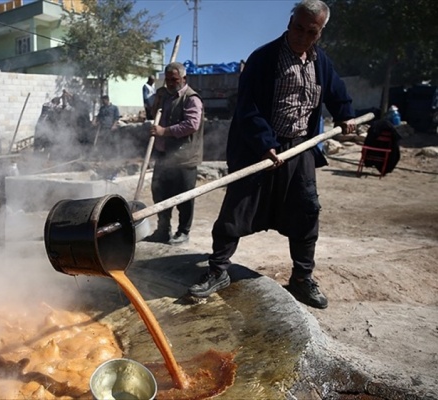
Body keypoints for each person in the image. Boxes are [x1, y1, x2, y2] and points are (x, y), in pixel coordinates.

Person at [188, 0, 356, 309]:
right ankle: (217, 271)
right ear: (290, 21)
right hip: (259, 148)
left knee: (307, 211)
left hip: (300, 147)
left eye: (311, 31)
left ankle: (301, 278)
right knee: (236, 210)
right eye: (298, 27)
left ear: (320, 33)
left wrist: (345, 115)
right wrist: (265, 143)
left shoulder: (322, 62)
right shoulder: (264, 58)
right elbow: (247, 107)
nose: (302, 36)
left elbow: (336, 93)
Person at [143, 62, 204, 245]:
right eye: (168, 80)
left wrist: (164, 131)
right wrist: (156, 102)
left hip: (184, 158)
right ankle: (163, 231)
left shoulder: (191, 98)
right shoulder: (164, 96)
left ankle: (183, 232)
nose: (170, 83)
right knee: (160, 194)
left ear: (183, 79)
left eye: (174, 80)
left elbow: (191, 125)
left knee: (184, 197)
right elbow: (153, 115)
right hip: (163, 156)